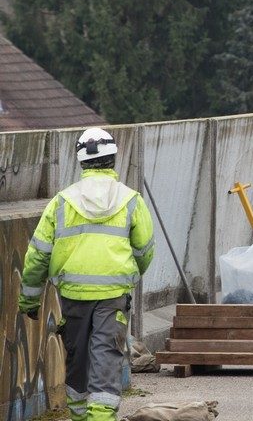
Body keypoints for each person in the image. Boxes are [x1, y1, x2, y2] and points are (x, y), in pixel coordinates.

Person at [19, 128, 154, 421]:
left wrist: (29, 300)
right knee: (106, 355)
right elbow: (144, 251)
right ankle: (101, 416)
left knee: (77, 358)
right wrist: (128, 276)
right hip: (113, 296)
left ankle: (81, 416)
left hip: (73, 295)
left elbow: (38, 254)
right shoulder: (131, 200)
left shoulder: (62, 201)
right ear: (113, 159)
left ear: (81, 162)